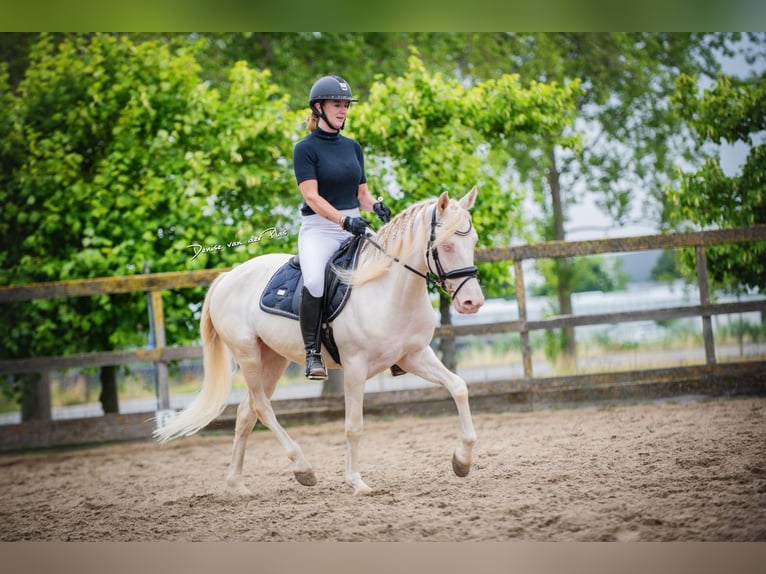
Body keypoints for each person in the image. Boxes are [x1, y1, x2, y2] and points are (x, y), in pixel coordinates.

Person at [293, 75, 391, 380]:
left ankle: (394, 345)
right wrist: (343, 220)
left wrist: (375, 206)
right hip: (320, 229)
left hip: (355, 224)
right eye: (337, 105)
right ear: (319, 107)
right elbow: (312, 196)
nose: (343, 110)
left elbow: (361, 194)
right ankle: (312, 354)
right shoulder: (305, 149)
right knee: (314, 281)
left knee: (391, 264)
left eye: (346, 105)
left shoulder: (353, 147)